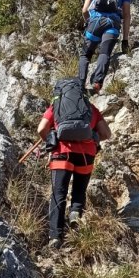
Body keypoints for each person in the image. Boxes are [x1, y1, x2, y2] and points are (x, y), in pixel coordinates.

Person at [37, 94, 112, 249]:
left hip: (62, 153)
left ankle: (55, 237)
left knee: (58, 193)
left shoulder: (56, 106)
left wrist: (52, 139)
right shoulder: (91, 109)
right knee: (79, 190)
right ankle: (75, 217)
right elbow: (106, 134)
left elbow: (41, 129)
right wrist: (91, 136)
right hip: (86, 155)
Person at [78, 0, 131, 95]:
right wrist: (125, 40)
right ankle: (97, 83)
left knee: (85, 55)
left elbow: (84, 10)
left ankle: (80, 85)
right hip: (112, 24)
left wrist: (88, 22)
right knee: (104, 53)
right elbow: (126, 15)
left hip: (95, 22)